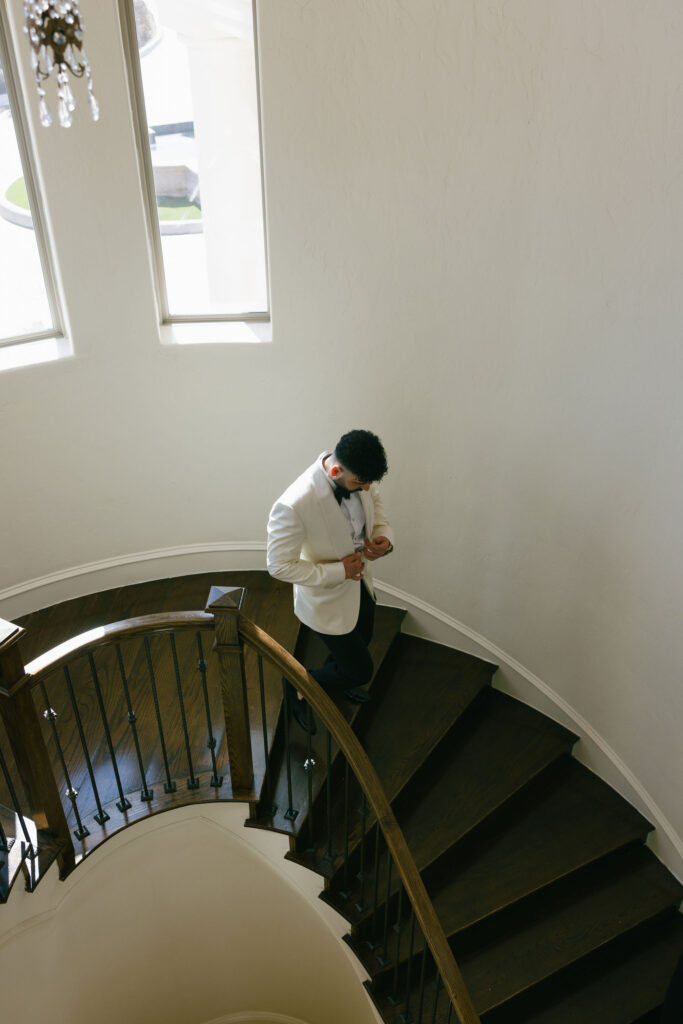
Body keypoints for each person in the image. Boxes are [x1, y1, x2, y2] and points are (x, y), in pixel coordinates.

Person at [267, 430, 394, 732]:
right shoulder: (293, 505)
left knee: (363, 638)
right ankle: (298, 684)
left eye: (368, 484)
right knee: (361, 669)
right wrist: (338, 572)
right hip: (326, 600)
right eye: (359, 483)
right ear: (336, 471)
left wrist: (383, 540)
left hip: (362, 587)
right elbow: (278, 566)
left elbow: (378, 511)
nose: (365, 489)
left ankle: (337, 679)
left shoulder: (358, 477)